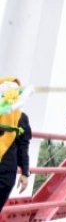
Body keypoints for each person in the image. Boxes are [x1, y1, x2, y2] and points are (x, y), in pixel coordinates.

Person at [0, 77, 31, 212]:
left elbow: (23, 147)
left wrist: (25, 172)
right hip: (6, 175)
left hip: (6, 174)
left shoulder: (21, 118)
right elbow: (23, 147)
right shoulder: (21, 117)